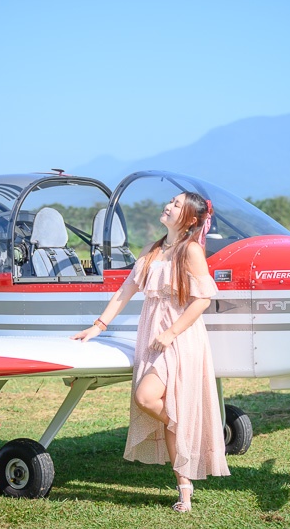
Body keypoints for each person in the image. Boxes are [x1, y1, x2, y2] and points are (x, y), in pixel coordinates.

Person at [72, 191, 229, 512]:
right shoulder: (154, 249)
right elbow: (126, 289)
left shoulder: (191, 251)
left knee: (146, 397)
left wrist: (171, 333)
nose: (167, 205)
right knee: (161, 406)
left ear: (189, 218)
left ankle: (183, 436)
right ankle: (184, 484)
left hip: (179, 335)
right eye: (169, 201)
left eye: (175, 204)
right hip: (152, 332)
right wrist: (98, 326)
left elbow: (203, 299)